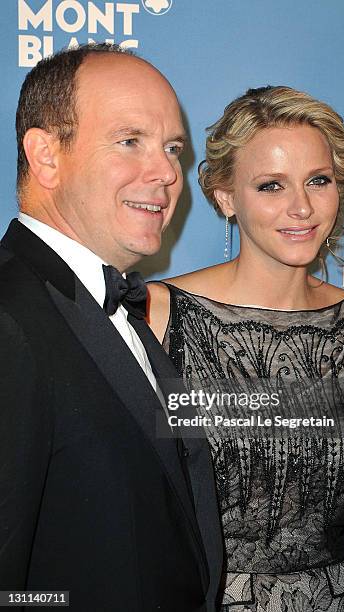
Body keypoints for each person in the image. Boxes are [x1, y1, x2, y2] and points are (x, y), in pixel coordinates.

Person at [148, 86, 344, 611]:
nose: (302, 207)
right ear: (224, 196)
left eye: (319, 180)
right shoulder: (159, 318)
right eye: (271, 185)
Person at [0, 43, 223, 611]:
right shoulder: (8, 318)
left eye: (173, 148)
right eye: (130, 141)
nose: (169, 172)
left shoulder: (118, 303)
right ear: (46, 156)